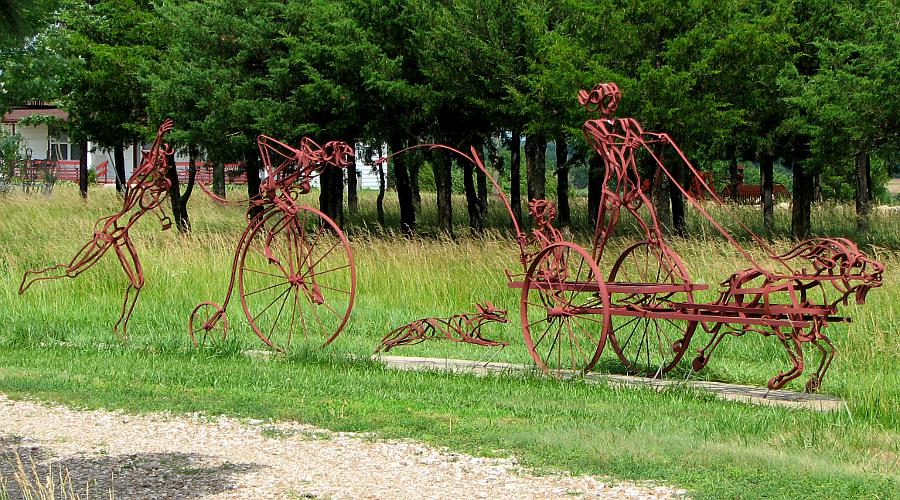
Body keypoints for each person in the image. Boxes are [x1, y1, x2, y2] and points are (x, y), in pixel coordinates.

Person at [19, 119, 175, 338]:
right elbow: (143, 187)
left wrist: (163, 217)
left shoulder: (153, 185)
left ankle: (121, 326)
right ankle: (34, 276)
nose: (163, 166)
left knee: (136, 282)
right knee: (72, 270)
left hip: (122, 233)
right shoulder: (143, 179)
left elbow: (149, 203)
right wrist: (159, 136)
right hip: (113, 232)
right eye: (160, 160)